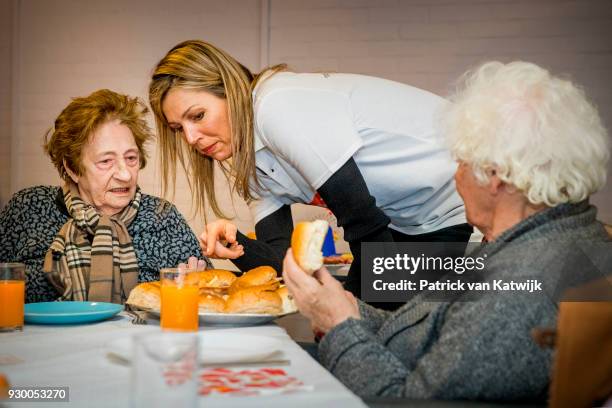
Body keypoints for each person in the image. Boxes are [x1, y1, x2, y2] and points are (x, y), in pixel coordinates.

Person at [282, 61, 611, 400]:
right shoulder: (547, 240)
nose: (456, 177)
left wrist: (338, 325)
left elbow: (410, 401)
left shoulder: (517, 287)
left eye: (461, 163)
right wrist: (351, 309)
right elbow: (432, 330)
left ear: (495, 175)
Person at [148, 40, 471, 302]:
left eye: (198, 115)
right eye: (178, 128)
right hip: (412, 223)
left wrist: (348, 316)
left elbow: (364, 226)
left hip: (471, 195)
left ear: (230, 91)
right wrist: (238, 246)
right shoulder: (251, 164)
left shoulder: (278, 106)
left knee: (409, 334)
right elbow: (282, 264)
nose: (191, 138)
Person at [0, 89, 209, 303]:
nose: (125, 174)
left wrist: (196, 290)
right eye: (106, 161)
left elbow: (208, 292)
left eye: (131, 158)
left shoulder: (162, 217)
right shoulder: (28, 208)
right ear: (72, 168)